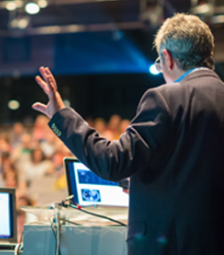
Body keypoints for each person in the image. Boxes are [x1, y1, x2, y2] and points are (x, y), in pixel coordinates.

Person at [32, 14, 224, 255]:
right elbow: (194, 174)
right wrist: (144, 184)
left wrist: (61, 115)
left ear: (168, 58)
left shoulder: (166, 98)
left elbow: (112, 162)